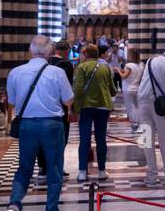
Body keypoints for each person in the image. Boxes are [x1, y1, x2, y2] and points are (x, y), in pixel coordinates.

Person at [5, 36, 74, 211]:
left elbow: (11, 99)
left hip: (27, 124)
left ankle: (14, 204)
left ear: (30, 50)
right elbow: (68, 100)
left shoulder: (16, 72)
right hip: (51, 124)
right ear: (50, 52)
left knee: (24, 168)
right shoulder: (57, 72)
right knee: (54, 169)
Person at [137, 49, 165, 187]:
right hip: (159, 105)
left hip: (143, 102)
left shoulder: (150, 61)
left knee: (147, 140)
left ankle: (151, 176)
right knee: (164, 139)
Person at [73, 43, 116, 184]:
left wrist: (75, 108)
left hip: (86, 107)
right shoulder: (105, 67)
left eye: (82, 54)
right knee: (101, 139)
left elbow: (78, 89)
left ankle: (82, 172)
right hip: (103, 107)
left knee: (85, 139)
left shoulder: (81, 67)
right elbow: (113, 89)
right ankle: (102, 171)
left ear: (85, 54)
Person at [35, 40, 75, 184]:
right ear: (66, 51)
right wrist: (71, 108)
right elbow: (68, 89)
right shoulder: (66, 65)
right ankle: (55, 167)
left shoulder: (44, 63)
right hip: (59, 108)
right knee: (59, 139)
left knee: (41, 139)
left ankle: (42, 168)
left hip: (40, 105)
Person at [120, 47, 142, 130]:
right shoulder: (141, 64)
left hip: (128, 88)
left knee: (131, 106)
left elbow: (124, 76)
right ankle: (140, 121)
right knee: (137, 106)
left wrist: (118, 70)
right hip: (137, 87)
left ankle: (134, 123)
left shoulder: (129, 65)